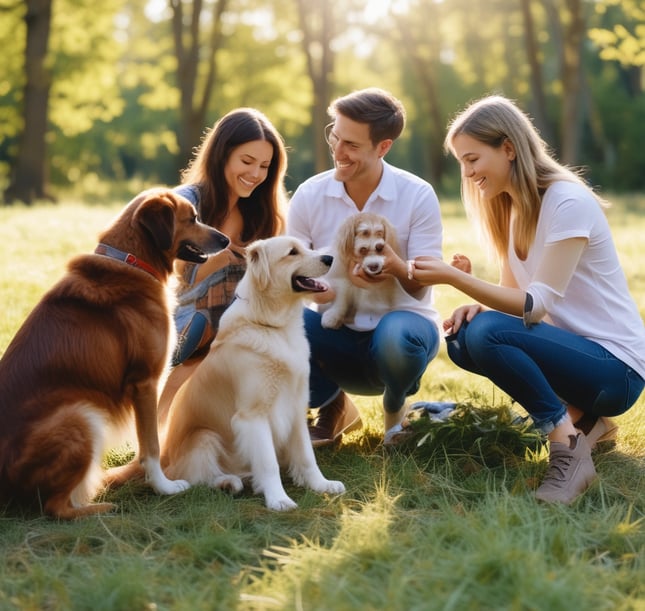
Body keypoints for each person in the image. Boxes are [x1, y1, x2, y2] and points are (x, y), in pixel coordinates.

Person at [409, 95, 645, 504]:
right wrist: (477, 304)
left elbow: (536, 306)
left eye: (472, 159)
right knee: (464, 338)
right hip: (577, 360)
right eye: (461, 164)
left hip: (617, 370)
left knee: (485, 334)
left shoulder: (567, 201)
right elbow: (512, 301)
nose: (467, 173)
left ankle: (567, 446)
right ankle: (584, 422)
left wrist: (454, 279)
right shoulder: (511, 209)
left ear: (508, 148)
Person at [287, 88, 444, 447]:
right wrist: (322, 289)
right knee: (259, 310)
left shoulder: (416, 195)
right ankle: (331, 406)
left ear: (383, 147)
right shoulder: (310, 195)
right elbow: (288, 274)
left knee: (395, 334)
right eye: (334, 136)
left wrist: (395, 268)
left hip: (400, 335)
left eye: (352, 145)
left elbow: (423, 285)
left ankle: (395, 412)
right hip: (335, 335)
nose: (337, 152)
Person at [158, 107, 287, 420]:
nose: (256, 174)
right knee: (206, 327)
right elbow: (171, 274)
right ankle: (159, 425)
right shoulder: (185, 203)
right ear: (221, 155)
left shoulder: (265, 213)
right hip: (183, 321)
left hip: (239, 329)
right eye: (246, 161)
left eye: (265, 166)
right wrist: (217, 261)